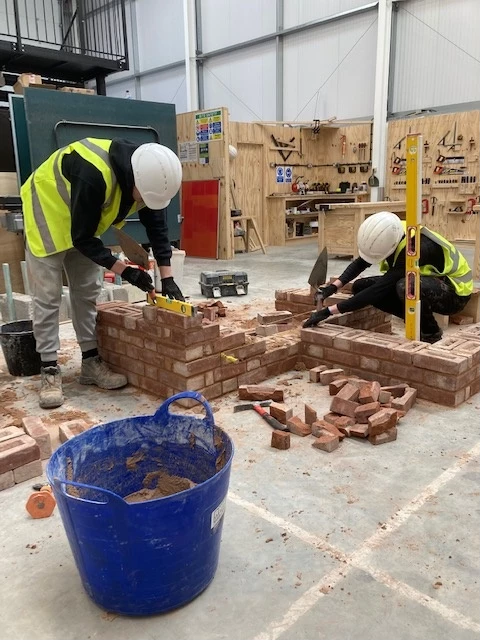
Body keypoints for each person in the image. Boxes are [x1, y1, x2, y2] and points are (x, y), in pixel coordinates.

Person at [21, 138, 184, 409]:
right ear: (135, 180)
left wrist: (168, 278)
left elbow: (157, 230)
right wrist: (126, 272)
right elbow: (82, 238)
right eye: (142, 196)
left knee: (86, 292)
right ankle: (49, 369)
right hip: (48, 212)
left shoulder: (153, 180)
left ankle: (90, 363)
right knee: (48, 297)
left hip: (83, 220)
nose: (144, 201)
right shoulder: (93, 173)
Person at [303, 211, 473, 342]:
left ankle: (430, 333)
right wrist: (333, 287)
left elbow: (378, 290)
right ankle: (413, 317)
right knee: (360, 286)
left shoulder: (415, 248)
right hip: (428, 281)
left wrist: (329, 311)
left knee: (405, 286)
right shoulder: (391, 232)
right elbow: (361, 263)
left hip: (455, 292)